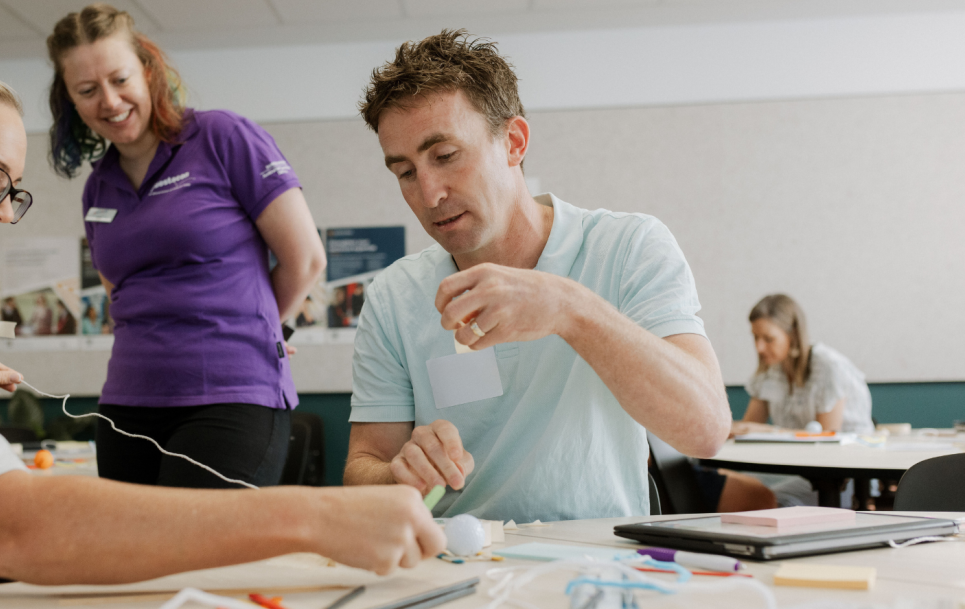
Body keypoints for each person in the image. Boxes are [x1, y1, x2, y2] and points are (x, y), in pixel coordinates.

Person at [0, 24, 443, 609]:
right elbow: (9, 526)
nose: (2, 210)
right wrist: (316, 512)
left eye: (11, 189)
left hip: (230, 389)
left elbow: (304, 258)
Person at [342, 30, 730, 522]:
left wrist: (571, 309)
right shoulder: (395, 295)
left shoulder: (628, 247)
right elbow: (363, 468)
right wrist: (400, 472)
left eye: (445, 156)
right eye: (404, 172)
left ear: (514, 142)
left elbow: (707, 429)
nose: (429, 193)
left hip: (599, 566)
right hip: (457, 566)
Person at [46, 4, 326, 490]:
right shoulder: (99, 187)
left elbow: (305, 258)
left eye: (119, 79)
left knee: (197, 561)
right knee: (131, 560)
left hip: (231, 394)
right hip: (127, 402)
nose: (109, 102)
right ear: (70, 100)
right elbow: (118, 292)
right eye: (87, 91)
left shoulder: (222, 137)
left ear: (149, 71)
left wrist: (263, 326)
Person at [734, 294, 873, 436]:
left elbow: (827, 438)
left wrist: (771, 431)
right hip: (800, 455)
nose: (759, 348)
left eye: (768, 339)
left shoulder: (829, 367)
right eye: (755, 337)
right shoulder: (769, 371)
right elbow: (748, 428)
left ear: (793, 334)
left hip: (851, 453)